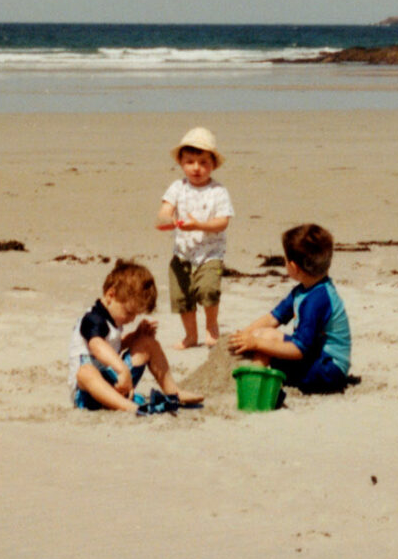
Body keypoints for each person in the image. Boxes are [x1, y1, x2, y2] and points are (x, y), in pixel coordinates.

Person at [229, 223, 352, 394]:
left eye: (285, 260)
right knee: (262, 335)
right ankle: (256, 374)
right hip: (317, 357)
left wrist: (257, 343)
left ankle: (256, 383)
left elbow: (298, 349)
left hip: (329, 370)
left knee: (265, 339)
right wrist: (245, 334)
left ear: (294, 267)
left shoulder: (316, 300)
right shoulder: (303, 290)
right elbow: (273, 318)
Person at [71, 260, 198, 412]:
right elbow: (97, 346)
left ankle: (173, 391)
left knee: (148, 343)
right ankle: (127, 406)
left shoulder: (114, 322)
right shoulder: (93, 319)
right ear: (111, 295)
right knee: (86, 372)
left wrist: (136, 336)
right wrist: (123, 370)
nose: (132, 319)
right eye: (129, 312)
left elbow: (114, 345)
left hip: (117, 383)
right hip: (88, 393)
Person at [156, 126, 234, 350]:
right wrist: (166, 220)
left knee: (208, 290)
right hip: (182, 254)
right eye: (190, 161)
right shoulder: (177, 187)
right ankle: (190, 335)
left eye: (203, 162)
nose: (196, 168)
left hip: (210, 254)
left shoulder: (218, 191)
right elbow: (164, 211)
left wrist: (198, 225)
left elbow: (223, 222)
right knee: (182, 298)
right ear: (181, 162)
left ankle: (211, 326)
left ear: (214, 164)